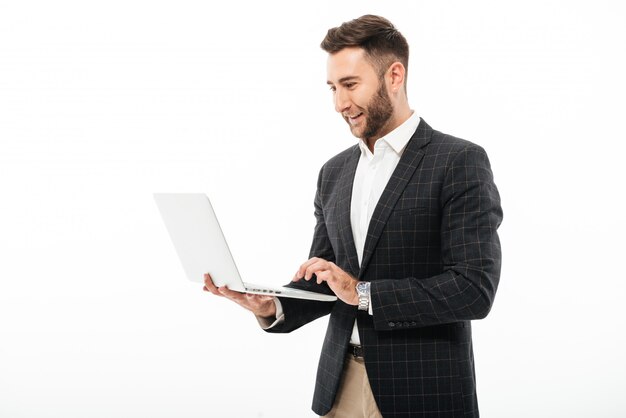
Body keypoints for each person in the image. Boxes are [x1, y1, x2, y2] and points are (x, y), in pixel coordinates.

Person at [204, 14, 502, 418]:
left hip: (421, 390)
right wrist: (270, 305)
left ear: (394, 76)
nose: (340, 103)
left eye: (350, 85)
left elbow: (474, 288)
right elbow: (328, 283)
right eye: (332, 88)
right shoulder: (334, 173)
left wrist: (363, 293)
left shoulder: (458, 161)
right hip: (339, 385)